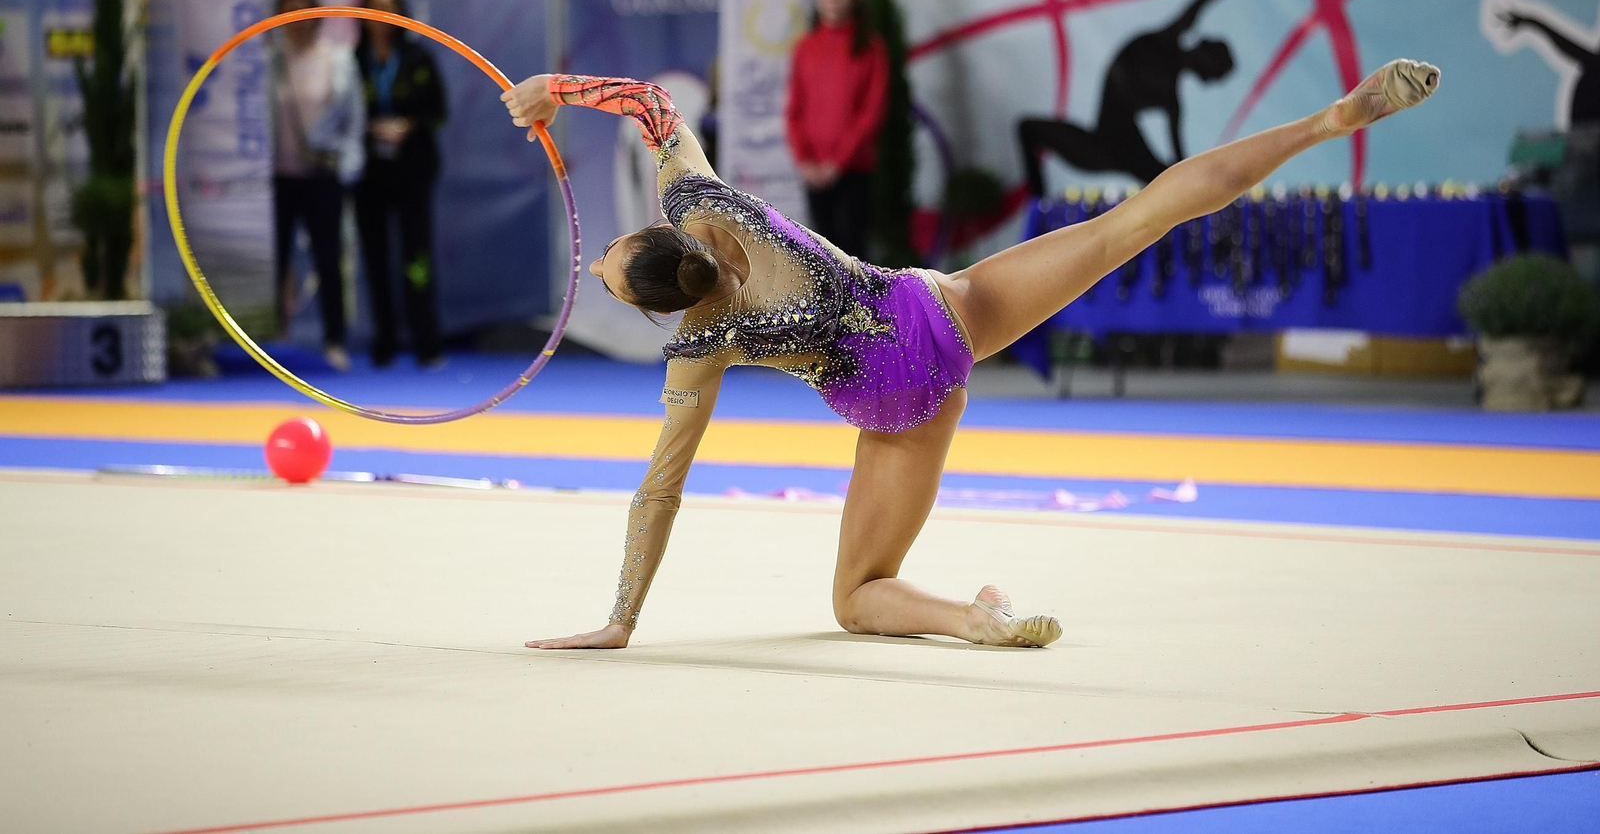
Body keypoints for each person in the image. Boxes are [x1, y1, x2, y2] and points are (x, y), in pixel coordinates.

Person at [501, 58, 1440, 651]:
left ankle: (969, 619)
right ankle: (1326, 123)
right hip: (942, 311)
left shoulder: (699, 350)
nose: (606, 270)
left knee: (857, 598)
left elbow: (659, 489)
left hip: (904, 402)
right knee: (1132, 221)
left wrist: (622, 619)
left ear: (663, 307)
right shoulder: (702, 197)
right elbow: (655, 104)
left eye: (610, 279)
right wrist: (561, 90)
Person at [1018, 0, 1313, 191]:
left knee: (1170, 185)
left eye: (1209, 51)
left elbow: (1179, 168)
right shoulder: (1170, 41)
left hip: (1116, 148)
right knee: (1028, 130)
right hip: (1100, 145)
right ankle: (1038, 216)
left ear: (1205, 68)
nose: (1203, 42)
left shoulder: (1171, 96)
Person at [269, 0, 365, 372]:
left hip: (323, 173)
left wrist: (347, 167)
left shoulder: (337, 61)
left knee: (328, 258)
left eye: (301, 12)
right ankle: (273, 340)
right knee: (274, 259)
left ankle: (334, 340)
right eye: (286, 12)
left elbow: (353, 119)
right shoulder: (268, 61)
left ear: (315, 16)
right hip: (277, 177)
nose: (295, 21)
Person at [352, 0, 447, 368]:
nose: (383, 15)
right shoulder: (353, 60)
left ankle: (426, 342)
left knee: (417, 258)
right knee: (375, 258)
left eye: (390, 8)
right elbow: (340, 113)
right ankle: (384, 341)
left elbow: (439, 111)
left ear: (400, 13)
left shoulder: (418, 57)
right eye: (375, 8)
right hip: (367, 172)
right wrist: (367, 128)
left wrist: (408, 125)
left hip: (412, 170)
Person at [786, 0, 889, 258]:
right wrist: (804, 160)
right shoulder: (805, 47)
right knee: (821, 253)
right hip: (813, 169)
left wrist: (837, 163)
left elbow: (872, 111)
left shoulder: (870, 47)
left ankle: (861, 306)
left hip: (853, 167)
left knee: (853, 251)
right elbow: (795, 110)